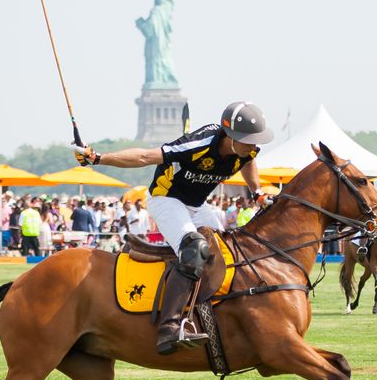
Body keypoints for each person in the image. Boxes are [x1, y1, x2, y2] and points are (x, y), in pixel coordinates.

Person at [76, 101, 273, 355]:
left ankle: (218, 313)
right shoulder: (200, 143)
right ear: (229, 135)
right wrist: (98, 158)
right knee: (195, 249)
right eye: (247, 140)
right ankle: (169, 327)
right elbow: (145, 157)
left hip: (197, 204)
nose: (253, 146)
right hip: (166, 199)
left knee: (228, 249)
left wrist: (256, 190)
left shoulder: (246, 151)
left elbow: (248, 162)